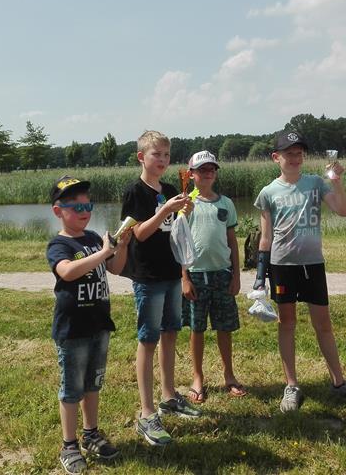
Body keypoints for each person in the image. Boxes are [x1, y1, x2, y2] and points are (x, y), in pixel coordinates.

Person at [254, 130, 346, 412]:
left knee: (323, 324)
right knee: (287, 323)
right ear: (276, 157)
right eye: (289, 154)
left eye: (299, 153)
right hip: (282, 265)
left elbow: (343, 210)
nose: (295, 158)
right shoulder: (268, 192)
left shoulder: (316, 183)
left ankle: (339, 382)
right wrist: (259, 276)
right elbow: (265, 238)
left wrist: (337, 182)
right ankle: (291, 385)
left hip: (313, 264)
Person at [46, 175, 132, 474]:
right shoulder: (59, 244)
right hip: (73, 329)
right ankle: (69, 445)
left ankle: (91, 433)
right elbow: (67, 272)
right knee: (72, 389)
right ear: (58, 211)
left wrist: (121, 247)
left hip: (99, 324)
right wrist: (104, 252)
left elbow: (115, 268)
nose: (84, 212)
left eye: (88, 206)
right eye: (76, 207)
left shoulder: (94, 238)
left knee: (93, 384)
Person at [120, 130, 201, 446]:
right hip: (148, 277)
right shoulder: (135, 192)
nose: (163, 160)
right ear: (142, 157)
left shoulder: (168, 189)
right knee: (148, 340)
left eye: (167, 155)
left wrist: (182, 211)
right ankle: (146, 412)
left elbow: (174, 229)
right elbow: (139, 233)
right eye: (157, 154)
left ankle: (168, 396)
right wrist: (165, 210)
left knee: (170, 334)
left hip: (171, 273)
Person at [180, 150, 246, 404]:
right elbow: (180, 243)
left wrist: (236, 275)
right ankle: (197, 377)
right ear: (191, 174)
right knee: (197, 329)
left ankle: (229, 374)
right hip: (196, 275)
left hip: (222, 274)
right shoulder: (186, 203)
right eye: (202, 170)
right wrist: (184, 278)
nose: (208, 174)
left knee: (224, 327)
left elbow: (232, 241)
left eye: (212, 169)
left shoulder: (226, 203)